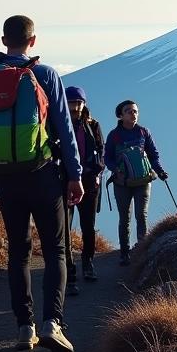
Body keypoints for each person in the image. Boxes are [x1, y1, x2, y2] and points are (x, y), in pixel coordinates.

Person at [0, 15, 83, 352]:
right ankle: (51, 324)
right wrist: (75, 175)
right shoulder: (45, 75)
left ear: (3, 39)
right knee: (55, 249)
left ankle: (24, 327)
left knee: (18, 251)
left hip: (6, 180)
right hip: (43, 175)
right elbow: (66, 131)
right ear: (33, 41)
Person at [104, 99, 168, 265]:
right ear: (121, 115)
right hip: (122, 183)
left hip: (143, 181)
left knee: (141, 215)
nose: (134, 114)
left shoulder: (143, 132)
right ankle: (125, 253)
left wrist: (160, 171)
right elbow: (107, 158)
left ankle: (141, 251)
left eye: (135, 111)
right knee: (124, 218)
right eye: (129, 111)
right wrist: (114, 169)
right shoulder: (114, 135)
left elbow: (153, 154)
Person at [64, 85, 106, 295]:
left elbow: (101, 150)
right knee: (65, 229)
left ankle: (87, 263)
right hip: (65, 182)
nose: (76, 106)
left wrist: (97, 172)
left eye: (79, 102)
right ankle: (69, 271)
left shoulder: (93, 125)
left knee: (88, 227)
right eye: (72, 102)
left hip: (89, 182)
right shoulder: (59, 124)